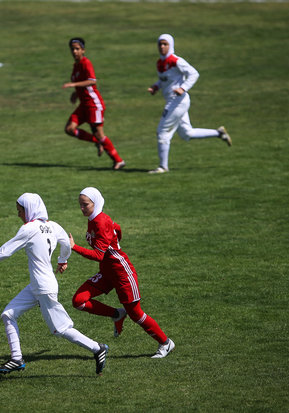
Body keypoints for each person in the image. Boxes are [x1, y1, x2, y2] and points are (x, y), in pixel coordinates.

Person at [0, 193, 109, 375]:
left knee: (61, 329)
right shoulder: (53, 226)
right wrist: (63, 259)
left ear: (29, 209)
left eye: (20, 211)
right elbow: (66, 243)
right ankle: (16, 359)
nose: (19, 215)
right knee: (8, 314)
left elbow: (7, 250)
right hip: (38, 286)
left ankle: (97, 348)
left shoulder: (29, 229)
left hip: (44, 289)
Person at [69, 187, 175, 359]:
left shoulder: (100, 222)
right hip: (107, 272)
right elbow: (116, 228)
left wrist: (74, 247)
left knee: (135, 313)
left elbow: (98, 255)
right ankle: (117, 314)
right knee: (79, 301)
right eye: (80, 204)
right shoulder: (94, 218)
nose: (82, 208)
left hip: (121, 273)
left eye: (85, 205)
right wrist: (115, 241)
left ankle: (165, 343)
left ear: (95, 203)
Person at [147, 33, 231, 174]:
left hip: (177, 102)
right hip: (174, 101)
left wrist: (183, 87)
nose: (162, 47)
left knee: (162, 132)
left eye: (165, 44)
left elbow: (194, 73)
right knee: (187, 133)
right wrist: (156, 86)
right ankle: (219, 133)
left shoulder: (176, 60)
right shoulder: (160, 63)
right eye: (160, 44)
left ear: (171, 45)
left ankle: (163, 167)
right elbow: (164, 80)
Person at [62, 37, 126, 170]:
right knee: (69, 129)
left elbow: (92, 80)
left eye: (77, 49)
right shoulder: (76, 66)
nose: (74, 51)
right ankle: (97, 142)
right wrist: (75, 93)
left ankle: (118, 161)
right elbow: (82, 84)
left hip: (93, 104)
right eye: (72, 49)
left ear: (83, 50)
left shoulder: (86, 63)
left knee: (100, 134)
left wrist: (73, 85)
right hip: (83, 106)